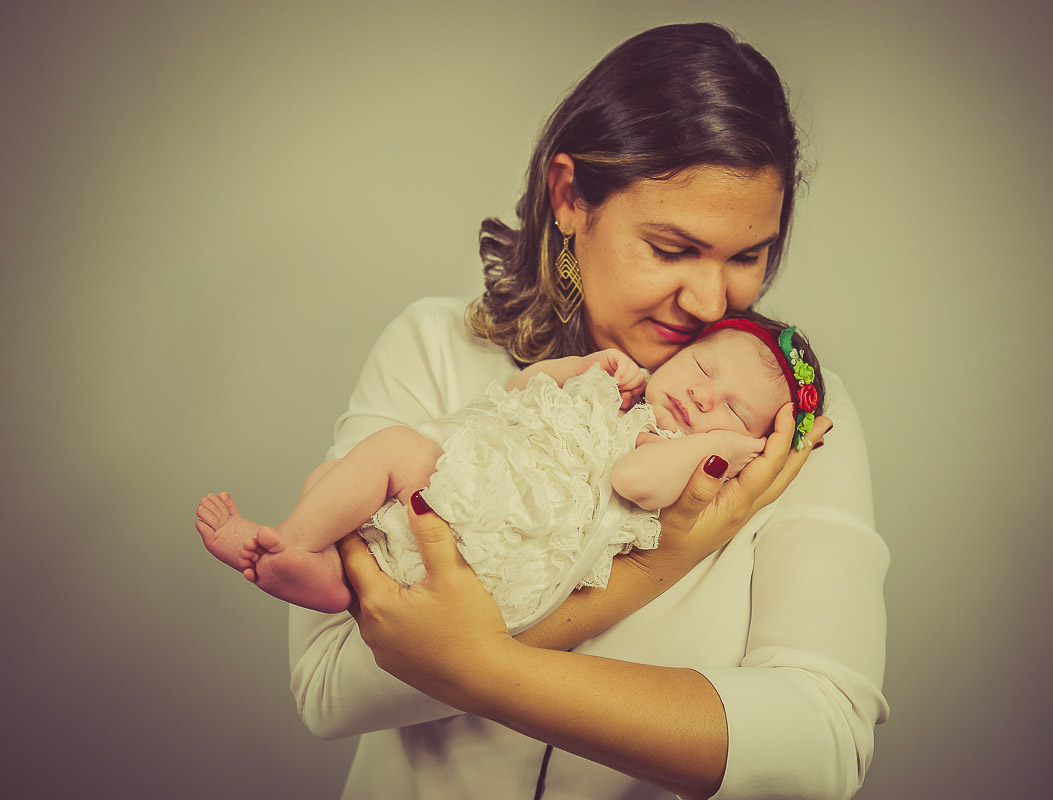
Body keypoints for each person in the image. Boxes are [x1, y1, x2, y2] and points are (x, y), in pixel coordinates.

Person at [288, 22, 889, 800]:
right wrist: (654, 567)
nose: (712, 301)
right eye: (673, 249)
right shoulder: (432, 347)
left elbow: (824, 742)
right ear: (570, 197)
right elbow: (329, 686)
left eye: (747, 256)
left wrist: (481, 663)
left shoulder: (789, 419)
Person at [196, 315, 824, 633]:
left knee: (385, 453)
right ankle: (317, 568)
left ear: (746, 444)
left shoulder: (675, 456)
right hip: (464, 485)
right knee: (349, 468)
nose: (705, 398)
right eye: (702, 367)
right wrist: (582, 367)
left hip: (497, 549)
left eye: (733, 412)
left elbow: (636, 483)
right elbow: (513, 393)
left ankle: (299, 548)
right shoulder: (620, 394)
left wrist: (712, 445)